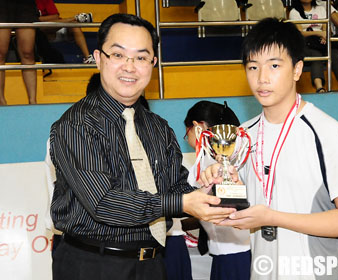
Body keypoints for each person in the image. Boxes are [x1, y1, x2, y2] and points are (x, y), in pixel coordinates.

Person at [49, 13, 235, 280]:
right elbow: (104, 203)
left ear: (153, 63)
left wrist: (208, 191)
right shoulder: (77, 125)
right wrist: (183, 200)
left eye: (141, 57)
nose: (129, 66)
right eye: (118, 55)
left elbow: (176, 190)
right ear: (99, 58)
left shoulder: (158, 127)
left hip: (152, 263)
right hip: (92, 264)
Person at [199, 18, 338, 279]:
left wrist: (273, 217)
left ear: (297, 70)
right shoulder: (243, 135)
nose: (262, 78)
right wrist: (223, 183)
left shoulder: (325, 132)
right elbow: (243, 209)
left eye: (274, 65)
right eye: (253, 67)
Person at [184, 100, 251, 280]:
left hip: (236, 249)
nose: (187, 139)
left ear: (198, 127)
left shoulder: (217, 156)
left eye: (186, 132)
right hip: (226, 249)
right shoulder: (208, 157)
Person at [289, 0, 338, 92]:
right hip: (305, 43)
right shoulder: (294, 12)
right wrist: (319, 33)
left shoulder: (320, 9)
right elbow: (300, 32)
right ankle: (319, 87)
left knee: (335, 54)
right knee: (316, 55)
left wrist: (325, 35)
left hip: (321, 41)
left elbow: (325, 27)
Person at [0, 0, 38, 105]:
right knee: (0, 54)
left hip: (24, 4)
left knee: (28, 53)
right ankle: (1, 101)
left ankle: (33, 101)